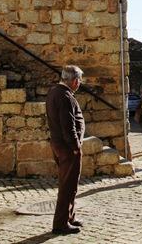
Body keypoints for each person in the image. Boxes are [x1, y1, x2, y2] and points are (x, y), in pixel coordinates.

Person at [46, 65, 85, 235]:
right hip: (67, 147)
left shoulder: (55, 92)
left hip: (59, 144)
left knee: (70, 184)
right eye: (79, 81)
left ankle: (69, 216)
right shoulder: (64, 96)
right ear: (75, 80)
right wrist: (75, 147)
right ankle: (60, 223)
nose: (79, 84)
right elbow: (68, 125)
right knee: (67, 185)